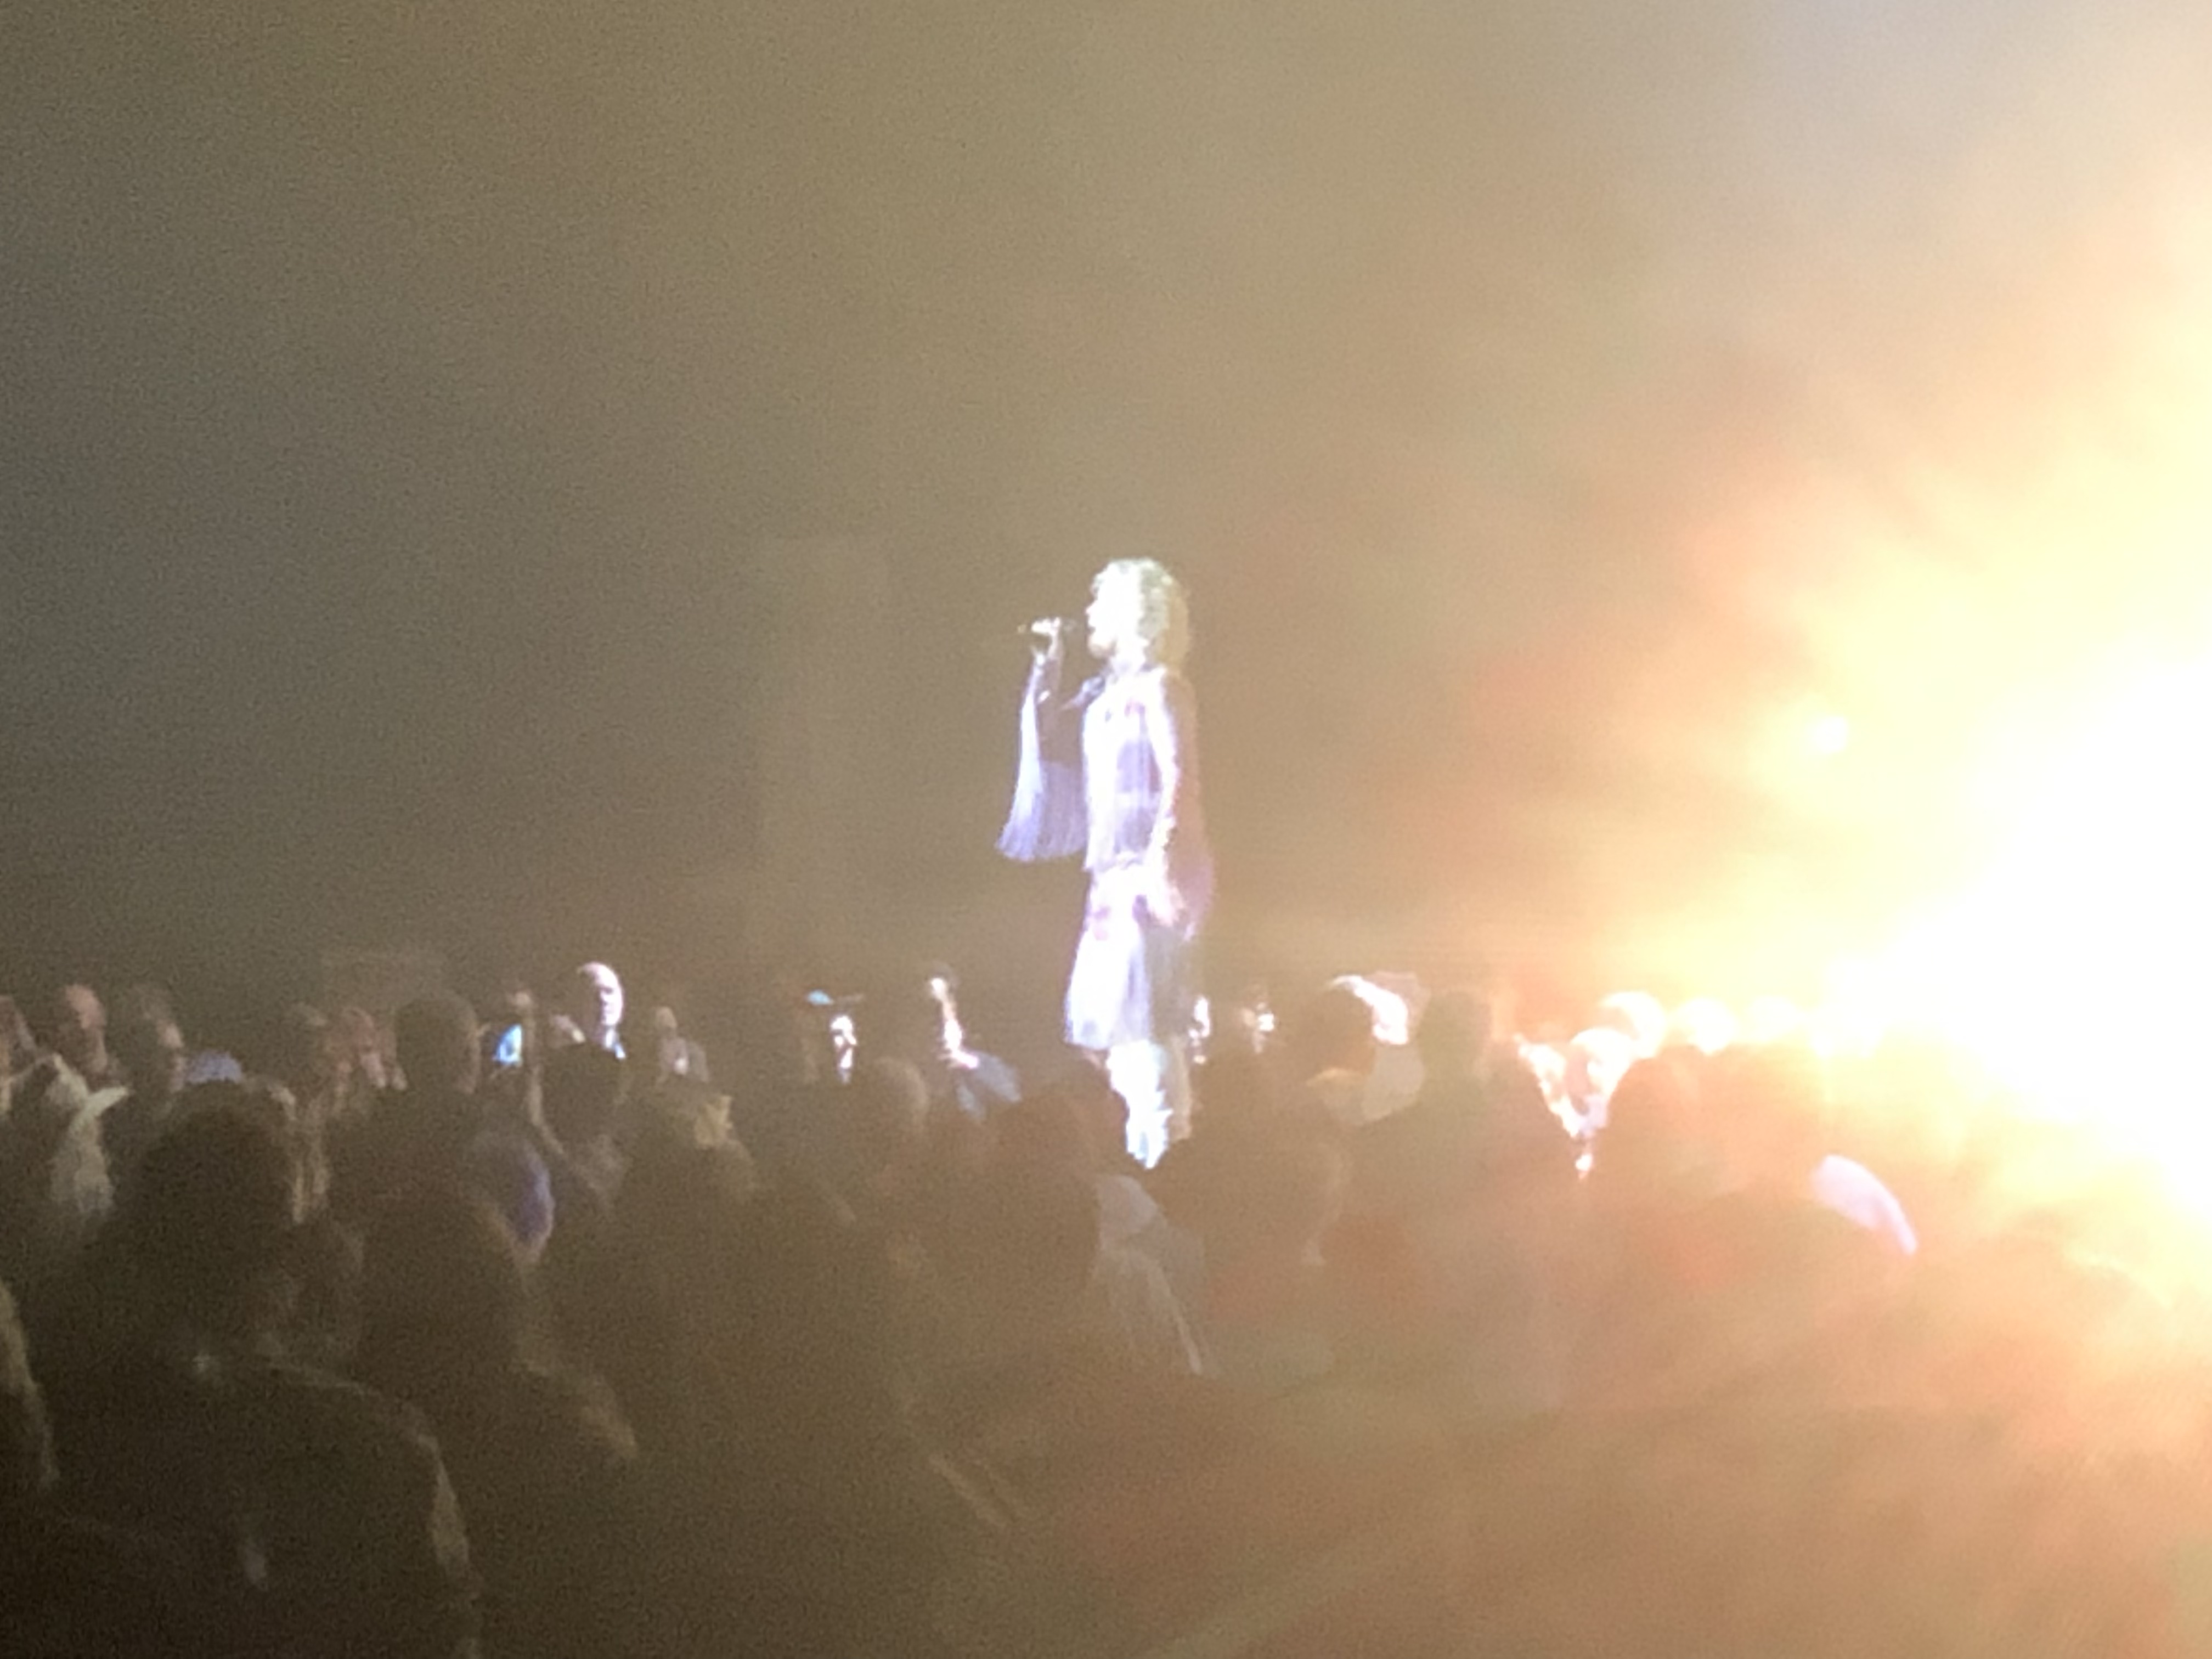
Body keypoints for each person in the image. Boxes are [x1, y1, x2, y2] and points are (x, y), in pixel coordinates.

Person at [999, 557, 1213, 1167]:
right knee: (1112, 1035)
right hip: (1110, 883)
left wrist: (1166, 858)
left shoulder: (1162, 688)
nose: (1088, 614)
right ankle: (1130, 1152)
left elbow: (1181, 777)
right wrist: (1048, 668)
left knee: (1147, 1029)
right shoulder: (1100, 700)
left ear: (1133, 613)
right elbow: (1048, 750)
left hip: (1149, 875)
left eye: (1101, 604)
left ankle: (1165, 1153)